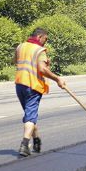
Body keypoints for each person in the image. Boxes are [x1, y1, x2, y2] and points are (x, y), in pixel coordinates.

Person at [14, 28, 65, 157]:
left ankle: (36, 140)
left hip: (20, 84)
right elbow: (42, 69)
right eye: (45, 39)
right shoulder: (39, 50)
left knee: (29, 114)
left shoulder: (20, 47)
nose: (45, 42)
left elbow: (16, 62)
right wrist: (57, 78)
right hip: (33, 86)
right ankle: (24, 145)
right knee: (30, 116)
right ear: (39, 36)